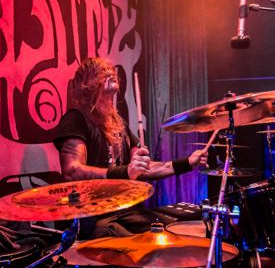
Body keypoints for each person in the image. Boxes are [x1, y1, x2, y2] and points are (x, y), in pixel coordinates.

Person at [52, 56, 207, 238]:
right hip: (93, 214)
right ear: (87, 83)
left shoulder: (118, 123)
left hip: (123, 209)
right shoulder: (76, 119)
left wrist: (187, 162)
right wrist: (125, 172)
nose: (111, 73)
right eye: (102, 71)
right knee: (132, 244)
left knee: (173, 232)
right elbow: (72, 171)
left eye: (112, 70)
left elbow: (142, 169)